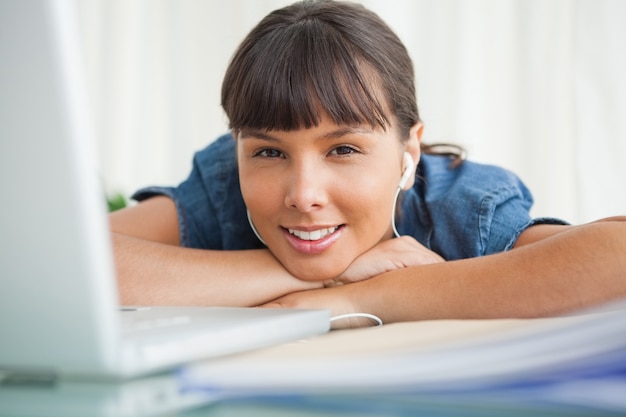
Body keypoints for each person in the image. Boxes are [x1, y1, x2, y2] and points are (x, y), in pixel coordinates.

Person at [110, 0, 626, 328]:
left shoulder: (459, 207)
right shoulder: (223, 182)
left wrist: (373, 295)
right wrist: (316, 280)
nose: (304, 194)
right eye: (268, 151)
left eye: (343, 149)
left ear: (409, 153)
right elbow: (71, 256)